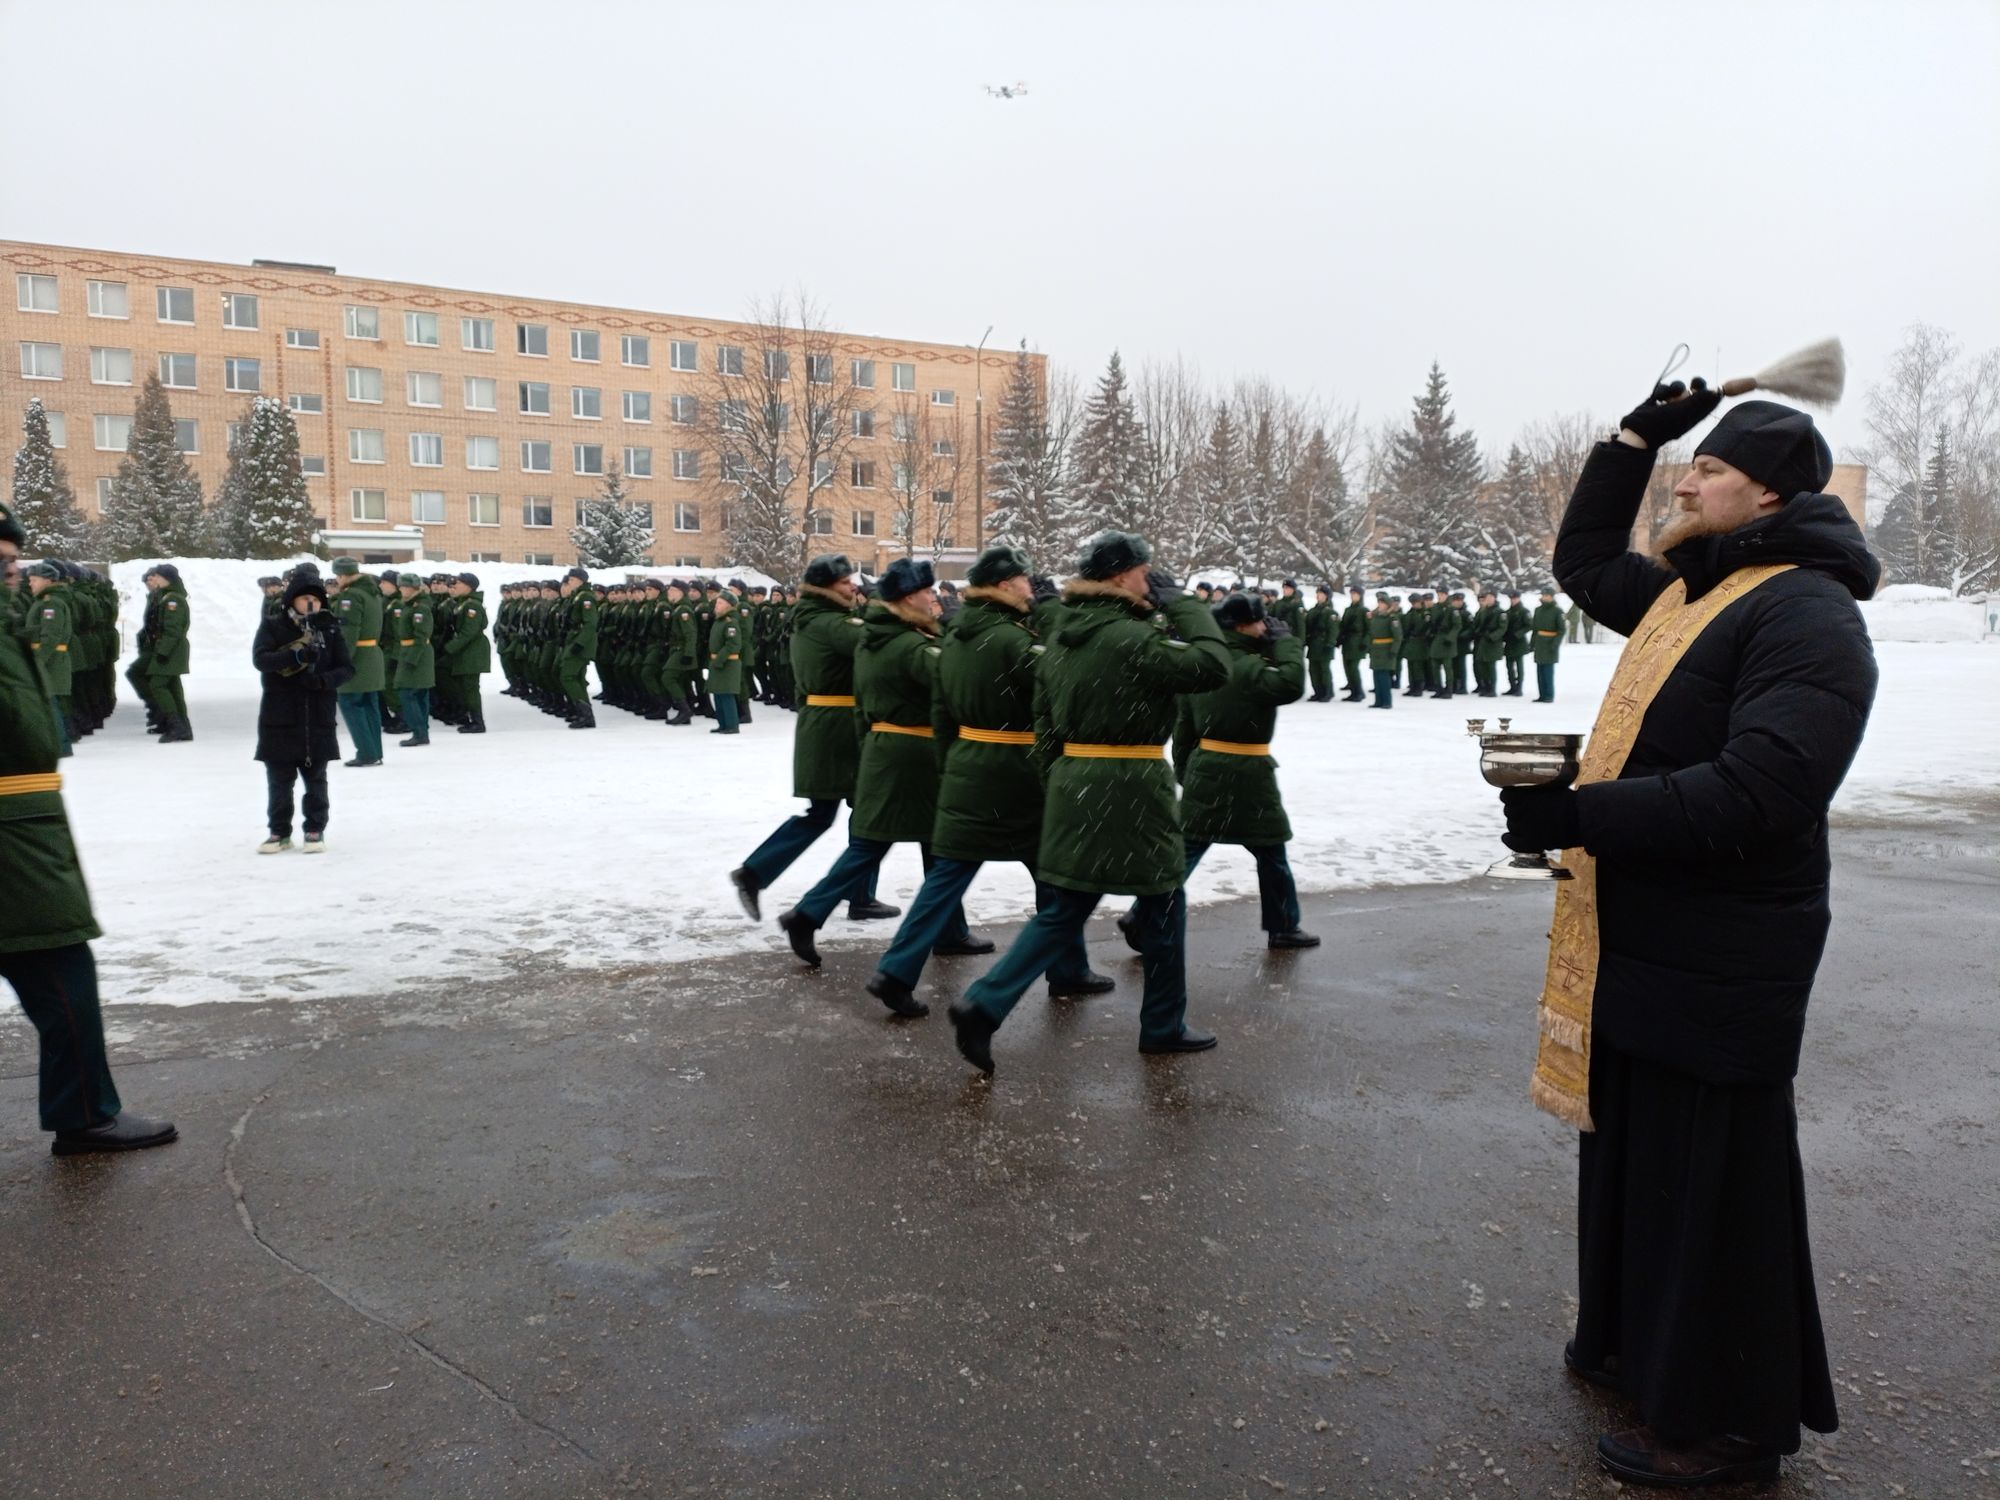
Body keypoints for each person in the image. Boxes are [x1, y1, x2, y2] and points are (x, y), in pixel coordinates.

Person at [1500, 379, 1878, 1487]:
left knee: (1716, 1184)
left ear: (1765, 491)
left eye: (1704, 469)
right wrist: (1630, 439)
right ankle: (1637, 1351)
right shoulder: (1694, 593)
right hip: (1645, 931)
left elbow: (1760, 791)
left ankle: (1727, 1424)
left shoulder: (1803, 610)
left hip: (1721, 950)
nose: (1685, 481)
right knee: (1637, 1156)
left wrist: (1578, 811)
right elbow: (1579, 564)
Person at [946, 530, 1230, 1075]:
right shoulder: (1132, 639)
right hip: (1133, 780)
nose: (1152, 580)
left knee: (1066, 909)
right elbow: (1212, 667)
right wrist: (1187, 606)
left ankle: (985, 1002)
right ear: (1124, 575)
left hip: (1074, 780)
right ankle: (1164, 1025)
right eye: (1146, 571)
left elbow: (1045, 723)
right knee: (1165, 902)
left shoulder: (1063, 637)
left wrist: (1063, 778)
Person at [862, 546, 1113, 1017]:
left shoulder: (954, 634)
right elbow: (1062, 679)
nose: (1028, 586)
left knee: (946, 879)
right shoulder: (1011, 640)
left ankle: (895, 970)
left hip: (966, 764)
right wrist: (1053, 612)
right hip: (1015, 769)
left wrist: (950, 761)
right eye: (1022, 579)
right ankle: (1067, 968)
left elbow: (940, 711)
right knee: (1055, 876)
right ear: (1003, 585)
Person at [0, 501, 177, 1155]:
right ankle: (84, 1113)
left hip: (26, 825)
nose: (17, 571)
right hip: (14, 839)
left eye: (16, 560)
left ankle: (84, 1110)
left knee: (60, 972)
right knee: (62, 971)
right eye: (6, 561)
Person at [776, 558, 982, 972]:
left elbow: (860, 708)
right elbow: (958, 681)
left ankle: (946, 929)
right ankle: (811, 913)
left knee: (894, 845)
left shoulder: (877, 638)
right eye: (927, 592)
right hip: (913, 757)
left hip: (885, 751)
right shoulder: (907, 644)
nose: (934, 598)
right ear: (908, 598)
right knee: (926, 845)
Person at [1139, 591, 1318, 949]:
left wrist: (1187, 773)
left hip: (1207, 767)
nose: (1265, 625)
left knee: (1185, 853)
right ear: (1241, 626)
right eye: (1258, 620)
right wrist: (1287, 644)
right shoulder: (1251, 667)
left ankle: (1143, 917)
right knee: (1271, 852)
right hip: (1249, 771)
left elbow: (1184, 728)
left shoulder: (1206, 666)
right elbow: (1291, 683)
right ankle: (1283, 925)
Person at [729, 554, 897, 923]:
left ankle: (758, 872)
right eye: (844, 583)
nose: (853, 587)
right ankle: (858, 894)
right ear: (824, 588)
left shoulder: (814, 618)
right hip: (840, 726)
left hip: (826, 723)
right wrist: (888, 606)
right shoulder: (829, 622)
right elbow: (873, 640)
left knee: (825, 813)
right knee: (865, 814)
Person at [252, 568, 353, 852]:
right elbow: (261, 659)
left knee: (316, 779)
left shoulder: (329, 629)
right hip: (280, 714)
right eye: (305, 598)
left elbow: (346, 668)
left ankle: (314, 829)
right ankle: (279, 832)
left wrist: (323, 680)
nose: (311, 603)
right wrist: (294, 655)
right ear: (292, 600)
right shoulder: (273, 626)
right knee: (280, 780)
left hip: (316, 715)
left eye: (316, 598)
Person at [328, 557, 385, 766]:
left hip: (357, 658)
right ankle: (374, 750)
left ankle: (366, 753)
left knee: (350, 704)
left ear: (343, 575)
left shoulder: (350, 597)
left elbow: (348, 632)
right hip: (371, 655)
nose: (337, 580)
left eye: (338, 576)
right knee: (369, 705)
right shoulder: (372, 593)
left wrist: (340, 661)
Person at [141, 562, 194, 742]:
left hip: (171, 649)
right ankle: (183, 727)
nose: (153, 579)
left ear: (166, 578)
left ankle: (176, 725)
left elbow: (173, 629)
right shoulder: (167, 596)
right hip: (172, 648)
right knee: (173, 687)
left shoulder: (173, 600)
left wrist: (163, 651)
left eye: (157, 576)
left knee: (158, 684)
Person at [442, 573, 490, 733]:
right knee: (465, 687)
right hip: (466, 651)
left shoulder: (471, 606)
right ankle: (471, 718)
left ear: (469, 586)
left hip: (472, 652)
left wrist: (450, 648)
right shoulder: (463, 603)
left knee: (470, 688)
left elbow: (469, 632)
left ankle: (478, 722)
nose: (455, 585)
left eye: (459, 583)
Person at [393, 574, 435, 747]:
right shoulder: (411, 605)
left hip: (416, 653)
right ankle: (421, 732)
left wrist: (411, 658)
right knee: (418, 694)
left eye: (404, 587)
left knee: (408, 693)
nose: (401, 589)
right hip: (412, 651)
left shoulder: (420, 607)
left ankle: (419, 732)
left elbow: (421, 634)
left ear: (413, 588)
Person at [557, 567, 597, 728]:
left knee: (567, 676)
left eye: (572, 580)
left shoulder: (585, 597)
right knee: (577, 678)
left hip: (581, 643)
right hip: (574, 640)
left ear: (580, 581)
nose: (569, 582)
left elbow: (590, 623)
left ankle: (586, 714)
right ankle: (584, 714)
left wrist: (579, 644)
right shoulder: (577, 596)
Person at [706, 588, 745, 734]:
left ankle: (732, 725)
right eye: (717, 602)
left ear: (729, 606)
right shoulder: (719, 621)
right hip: (718, 663)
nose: (717, 605)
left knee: (727, 695)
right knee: (718, 694)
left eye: (720, 603)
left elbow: (733, 645)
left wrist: (720, 660)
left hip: (727, 664)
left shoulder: (730, 622)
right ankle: (722, 724)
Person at [1366, 594, 1402, 708]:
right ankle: (1378, 701)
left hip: (1386, 650)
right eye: (1379, 603)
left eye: (1382, 603)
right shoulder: (1376, 617)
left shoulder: (1392, 618)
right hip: (1376, 650)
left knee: (1384, 676)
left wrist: (1394, 650)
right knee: (1376, 675)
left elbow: (1398, 636)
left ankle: (1387, 701)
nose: (1380, 605)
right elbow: (1371, 633)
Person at [1335, 584, 1369, 702]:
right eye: (1352, 594)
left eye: (1355, 594)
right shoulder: (1348, 610)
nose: (1353, 596)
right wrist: (1339, 639)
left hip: (1357, 642)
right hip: (1348, 642)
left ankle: (1358, 692)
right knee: (1347, 668)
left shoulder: (1364, 611)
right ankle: (1353, 691)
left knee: (1353, 668)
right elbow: (1343, 626)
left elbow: (1368, 629)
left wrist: (1365, 643)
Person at [1302, 585, 1335, 702]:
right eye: (1318, 593)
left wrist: (1330, 644)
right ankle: (1318, 691)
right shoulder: (1312, 611)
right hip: (1313, 644)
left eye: (1321, 594)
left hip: (1324, 644)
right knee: (1313, 670)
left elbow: (1333, 630)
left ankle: (1328, 692)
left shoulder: (1330, 613)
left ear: (1327, 597)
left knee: (1324, 670)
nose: (1318, 596)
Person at [1471, 588, 1506, 697]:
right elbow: (1478, 625)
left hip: (1492, 643)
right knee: (1483, 665)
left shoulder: (1500, 612)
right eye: (1487, 597)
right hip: (1483, 642)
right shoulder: (1484, 611)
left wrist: (1491, 636)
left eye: (1491, 597)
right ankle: (1485, 687)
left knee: (1490, 666)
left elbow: (1502, 628)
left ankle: (1492, 688)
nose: (1489, 599)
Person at [1531, 587, 1564, 701]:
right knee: (1540, 671)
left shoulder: (1557, 611)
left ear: (1552, 597)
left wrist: (1555, 644)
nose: (1545, 597)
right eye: (1544, 595)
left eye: (1547, 595)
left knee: (1548, 671)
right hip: (1540, 643)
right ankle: (1542, 695)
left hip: (1550, 643)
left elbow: (1561, 630)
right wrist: (1532, 643)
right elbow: (1535, 629)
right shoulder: (1538, 610)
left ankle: (1549, 695)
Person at [1427, 590, 1461, 699]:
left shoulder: (1452, 609)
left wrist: (1450, 638)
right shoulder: (1435, 608)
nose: (1440, 597)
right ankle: (1439, 688)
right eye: (1439, 595)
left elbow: (1457, 626)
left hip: (1447, 641)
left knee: (1447, 667)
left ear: (1446, 595)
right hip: (1437, 640)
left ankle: (1449, 689)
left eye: (1442, 594)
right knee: (1435, 666)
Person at [1501, 589, 1530, 696]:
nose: (1513, 600)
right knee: (1509, 666)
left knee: (1519, 666)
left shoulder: (1524, 611)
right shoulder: (1508, 612)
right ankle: (1512, 686)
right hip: (1509, 642)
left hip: (1519, 642)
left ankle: (1519, 687)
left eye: (1515, 598)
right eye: (1512, 598)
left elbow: (1528, 625)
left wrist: (1518, 634)